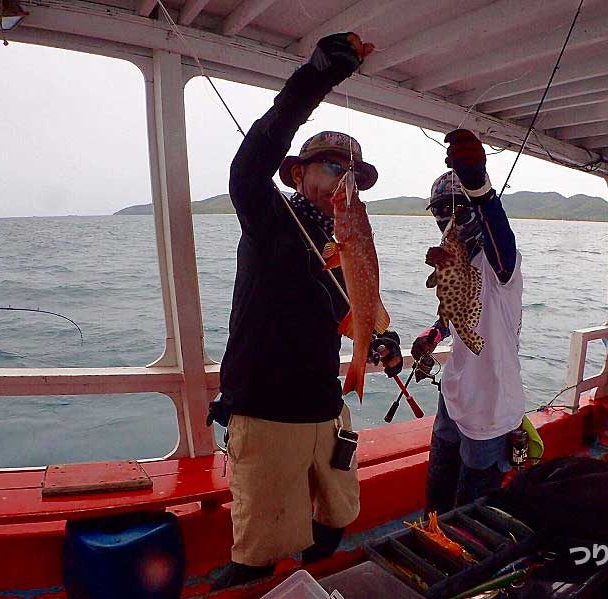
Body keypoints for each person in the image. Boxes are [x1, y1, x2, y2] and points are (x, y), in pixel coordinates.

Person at [210, 33, 403, 591]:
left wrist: (381, 341)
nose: (341, 181)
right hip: (268, 416)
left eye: (351, 176)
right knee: (255, 560)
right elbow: (250, 166)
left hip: (329, 412)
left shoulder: (343, 240)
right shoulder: (267, 217)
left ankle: (308, 585)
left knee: (335, 524)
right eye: (329, 167)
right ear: (298, 174)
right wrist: (317, 77)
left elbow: (358, 309)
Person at [412, 129, 525, 514]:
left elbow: (500, 236)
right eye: (440, 211)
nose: (447, 218)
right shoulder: (457, 259)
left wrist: (480, 187)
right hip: (453, 393)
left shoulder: (502, 266)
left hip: (491, 406)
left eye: (457, 209)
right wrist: (433, 334)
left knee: (471, 507)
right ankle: (431, 534)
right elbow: (455, 312)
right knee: (438, 490)